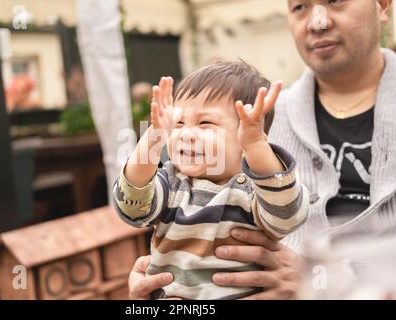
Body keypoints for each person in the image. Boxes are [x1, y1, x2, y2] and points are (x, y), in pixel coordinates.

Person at [128, 0, 396, 300]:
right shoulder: (256, 117)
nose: (317, 22)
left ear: (383, 6)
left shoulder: (253, 134)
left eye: (334, 1)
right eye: (299, 8)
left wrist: (321, 280)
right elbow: (140, 204)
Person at [113, 61, 309, 299]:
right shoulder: (172, 184)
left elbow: (287, 215)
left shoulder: (255, 193)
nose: (186, 134)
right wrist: (152, 138)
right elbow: (132, 206)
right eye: (178, 123)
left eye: (205, 123)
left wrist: (258, 148)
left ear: (246, 138)